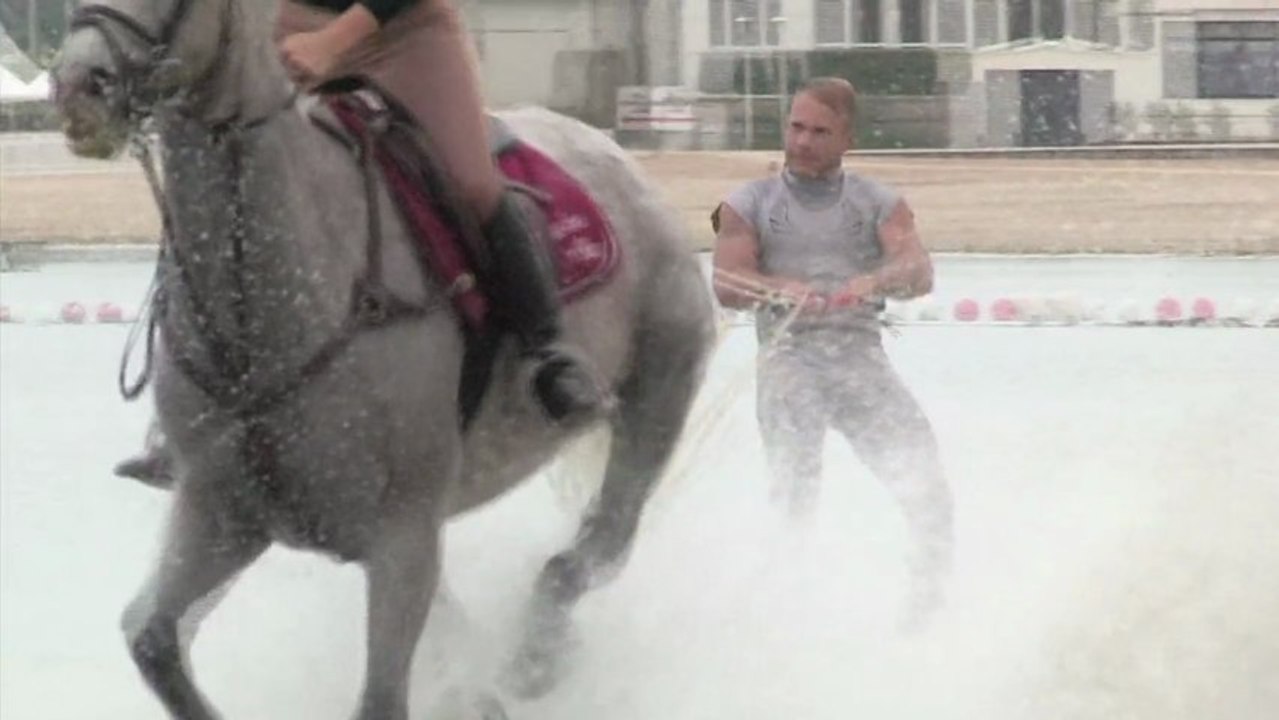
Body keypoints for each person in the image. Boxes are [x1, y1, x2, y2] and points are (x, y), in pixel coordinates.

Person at [113, 0, 605, 486]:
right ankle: (190, 415)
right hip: (284, 25)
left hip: (405, 32)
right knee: (225, 184)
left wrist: (330, 43)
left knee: (473, 184)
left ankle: (547, 355)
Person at [711, 77, 954, 628]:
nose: (803, 141)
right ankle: (785, 610)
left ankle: (928, 608)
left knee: (928, 485)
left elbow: (918, 272)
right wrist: (780, 289)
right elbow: (726, 282)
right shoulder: (744, 204)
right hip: (789, 360)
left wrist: (874, 281)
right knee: (795, 493)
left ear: (848, 139)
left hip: (859, 361)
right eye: (796, 127)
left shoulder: (881, 203)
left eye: (820, 132)